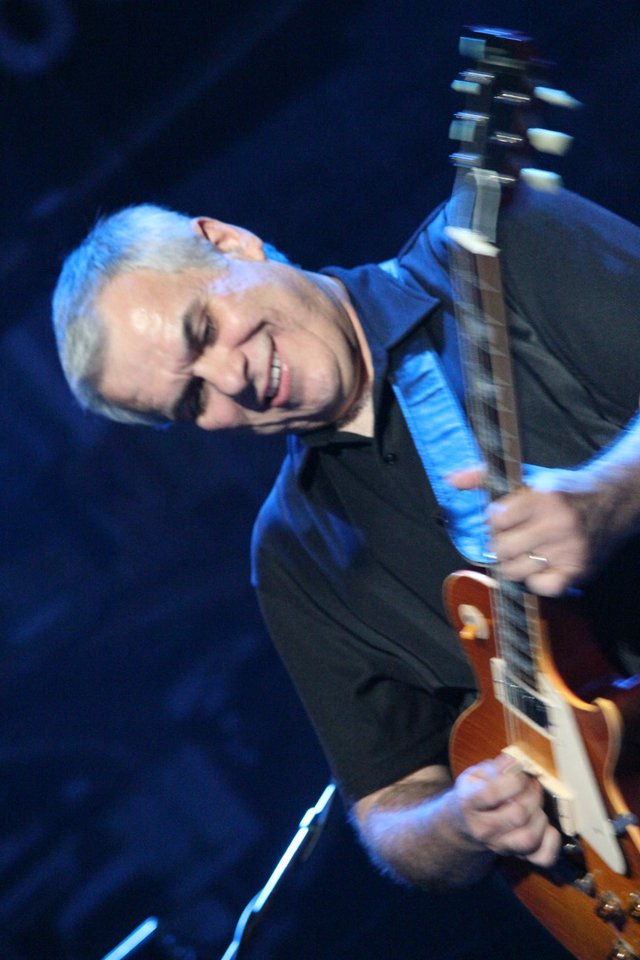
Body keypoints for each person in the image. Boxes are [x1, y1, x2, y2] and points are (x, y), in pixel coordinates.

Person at [51, 183, 640, 892]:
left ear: (230, 244)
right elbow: (388, 803)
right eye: (192, 398)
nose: (232, 379)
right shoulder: (293, 555)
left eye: (202, 329)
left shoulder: (498, 244)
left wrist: (610, 493)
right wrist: (462, 820)